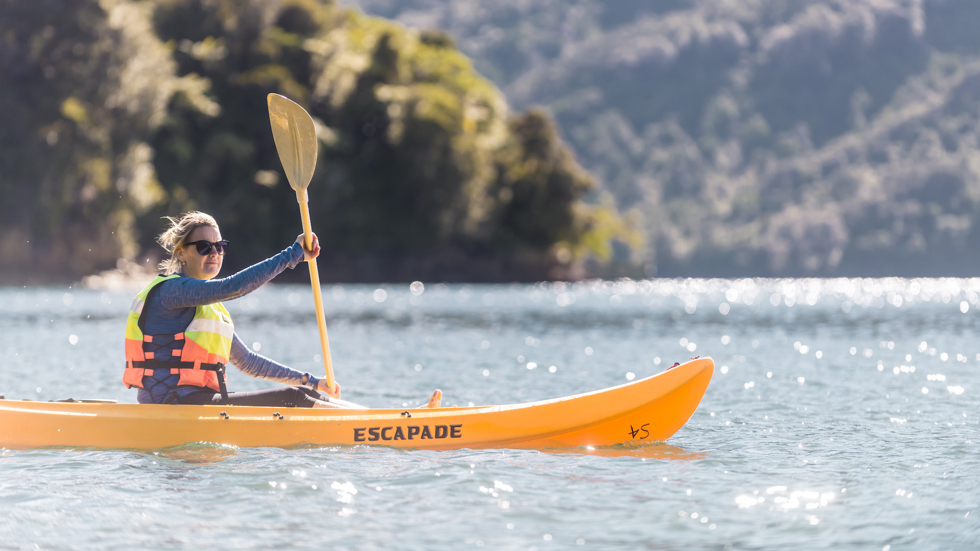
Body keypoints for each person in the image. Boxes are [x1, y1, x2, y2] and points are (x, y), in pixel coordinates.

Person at [123, 211, 442, 409]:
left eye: (220, 247)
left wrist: (311, 380)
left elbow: (248, 362)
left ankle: (387, 420)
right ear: (181, 252)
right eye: (204, 247)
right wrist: (293, 255)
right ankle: (392, 426)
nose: (215, 253)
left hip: (196, 404)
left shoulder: (209, 310)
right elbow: (232, 287)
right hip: (171, 406)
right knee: (294, 398)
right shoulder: (171, 292)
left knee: (307, 394)